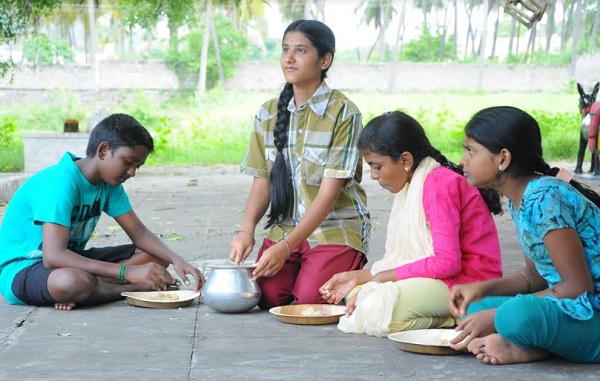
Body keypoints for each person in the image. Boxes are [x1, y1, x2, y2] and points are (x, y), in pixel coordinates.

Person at [319, 110, 504, 337]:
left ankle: (461, 315)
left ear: (405, 160)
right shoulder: (414, 182)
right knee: (356, 294)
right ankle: (451, 313)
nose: (374, 175)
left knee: (372, 308)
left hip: (470, 281)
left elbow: (447, 263)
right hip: (444, 278)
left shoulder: (438, 185)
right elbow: (412, 258)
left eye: (377, 166)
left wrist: (381, 278)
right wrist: (361, 276)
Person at [228, 19, 371, 310]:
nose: (289, 58)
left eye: (301, 50)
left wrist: (286, 247)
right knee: (266, 296)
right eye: (285, 49)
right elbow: (262, 182)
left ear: (325, 60)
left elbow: (329, 195)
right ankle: (309, 269)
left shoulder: (344, 112)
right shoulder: (268, 113)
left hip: (334, 226)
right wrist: (246, 230)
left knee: (308, 301)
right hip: (284, 227)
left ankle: (356, 276)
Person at [0, 113, 204, 310]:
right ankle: (131, 288)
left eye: (137, 167)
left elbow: (139, 233)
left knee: (156, 257)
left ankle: (91, 289)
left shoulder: (109, 185)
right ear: (104, 150)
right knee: (71, 281)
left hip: (71, 260)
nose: (132, 173)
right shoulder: (60, 183)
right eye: (128, 162)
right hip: (23, 268)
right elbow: (53, 257)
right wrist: (128, 273)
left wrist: (177, 260)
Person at [448, 105, 600, 365]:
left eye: (471, 150)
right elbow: (535, 275)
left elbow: (577, 287)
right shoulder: (519, 199)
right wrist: (482, 288)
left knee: (511, 316)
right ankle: (528, 340)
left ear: (503, 158)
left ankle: (529, 347)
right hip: (573, 304)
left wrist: (497, 316)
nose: (463, 159)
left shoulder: (544, 198)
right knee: (475, 309)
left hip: (592, 310)